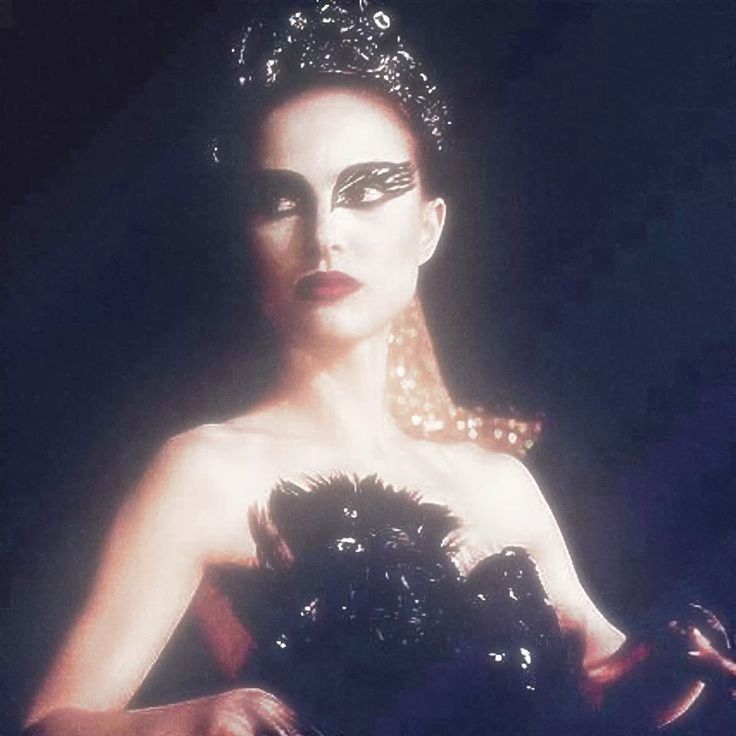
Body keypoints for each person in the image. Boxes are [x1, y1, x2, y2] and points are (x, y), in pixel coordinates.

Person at [22, 2, 735, 735]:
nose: (324, 235)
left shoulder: (500, 486)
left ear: (428, 227)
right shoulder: (206, 474)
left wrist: (676, 664)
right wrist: (199, 720)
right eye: (281, 201)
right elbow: (50, 724)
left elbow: (606, 687)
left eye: (365, 191)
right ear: (248, 238)